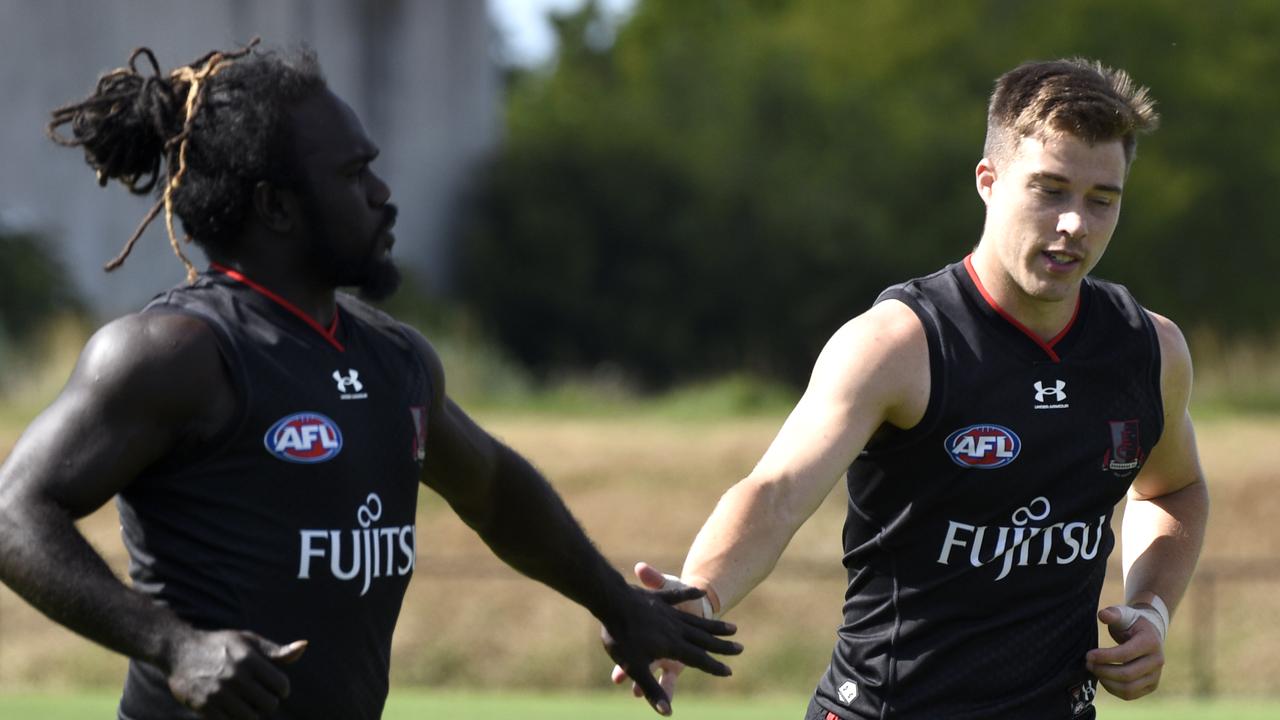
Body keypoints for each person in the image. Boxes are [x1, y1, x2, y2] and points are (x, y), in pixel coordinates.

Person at [0, 40, 740, 720]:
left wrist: (617, 604)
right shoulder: (178, 352)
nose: (384, 194)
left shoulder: (397, 360)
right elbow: (14, 516)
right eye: (353, 175)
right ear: (275, 206)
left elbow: (494, 492)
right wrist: (174, 646)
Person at [612, 58, 1209, 719]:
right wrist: (698, 595)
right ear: (989, 181)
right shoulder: (900, 345)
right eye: (1050, 190)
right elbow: (777, 493)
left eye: (1102, 200)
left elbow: (1173, 487)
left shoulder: (1147, 349)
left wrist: (1152, 608)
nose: (1075, 223)